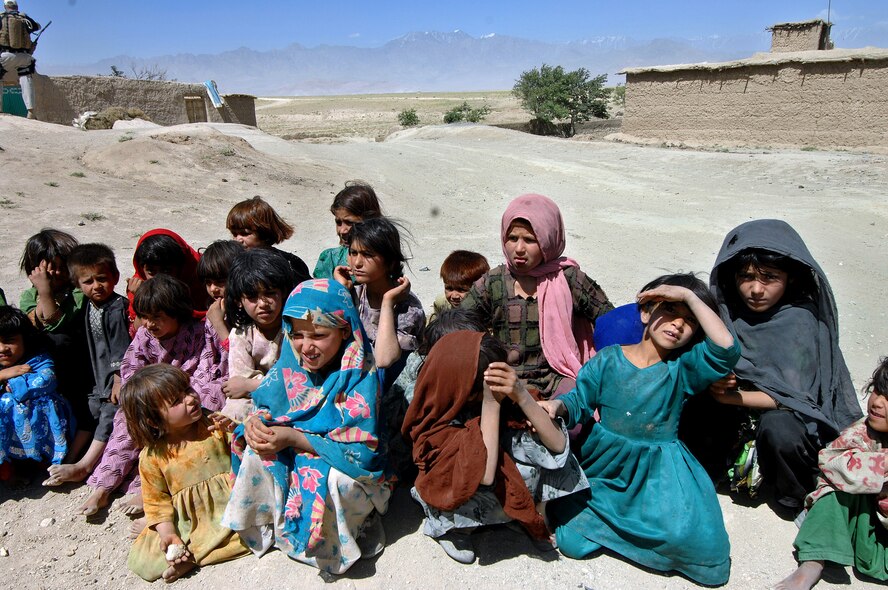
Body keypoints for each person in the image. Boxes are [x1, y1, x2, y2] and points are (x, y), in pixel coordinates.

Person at [540, 273, 740, 586]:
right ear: (646, 312)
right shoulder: (608, 360)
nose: (677, 324)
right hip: (605, 469)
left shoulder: (683, 369)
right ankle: (619, 533)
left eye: (689, 321)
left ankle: (629, 536)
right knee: (572, 544)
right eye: (670, 311)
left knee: (696, 544)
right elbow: (579, 398)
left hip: (659, 475)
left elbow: (726, 350)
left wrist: (687, 296)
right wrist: (558, 406)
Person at [680, 219, 862, 511]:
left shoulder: (800, 322)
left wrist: (729, 395)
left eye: (769, 278)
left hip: (786, 417)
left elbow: (791, 398)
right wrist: (715, 380)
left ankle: (791, 495)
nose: (755, 289)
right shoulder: (726, 313)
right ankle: (706, 475)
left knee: (781, 430)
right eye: (746, 277)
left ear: (790, 277)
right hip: (736, 417)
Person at [222, 279, 391, 574]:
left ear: (344, 330)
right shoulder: (291, 361)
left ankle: (356, 527)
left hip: (340, 462)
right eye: (297, 335)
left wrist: (293, 438)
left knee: (339, 481)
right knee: (255, 451)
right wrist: (254, 425)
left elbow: (364, 453)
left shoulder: (360, 376)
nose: (306, 346)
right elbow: (267, 407)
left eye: (319, 335)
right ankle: (271, 525)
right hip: (295, 447)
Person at [403, 330, 588, 563]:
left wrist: (521, 395)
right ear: (466, 387)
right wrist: (490, 404)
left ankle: (523, 515)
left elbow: (559, 446)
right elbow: (485, 476)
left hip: (488, 469)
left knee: (539, 441)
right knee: (469, 481)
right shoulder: (433, 418)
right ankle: (457, 529)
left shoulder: (502, 397)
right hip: (456, 491)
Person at [80, 275, 227, 518]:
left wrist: (175, 398)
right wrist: (150, 396)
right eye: (144, 317)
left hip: (191, 393)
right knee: (129, 416)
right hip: (156, 396)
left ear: (176, 312)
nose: (148, 324)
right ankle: (104, 486)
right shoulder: (145, 337)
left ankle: (151, 487)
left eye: (157, 317)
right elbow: (132, 371)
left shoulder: (201, 332)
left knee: (198, 406)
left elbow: (209, 368)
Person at [460, 193, 612, 399]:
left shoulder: (569, 279)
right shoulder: (494, 281)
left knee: (574, 421)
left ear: (548, 240)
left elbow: (610, 320)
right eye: (512, 238)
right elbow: (461, 323)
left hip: (558, 376)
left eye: (530, 240)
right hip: (506, 378)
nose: (519, 249)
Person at [122, 364, 248, 582]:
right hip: (194, 519)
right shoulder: (153, 457)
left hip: (233, 503)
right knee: (148, 560)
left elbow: (245, 454)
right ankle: (186, 558)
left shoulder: (212, 423)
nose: (190, 399)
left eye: (188, 390)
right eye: (176, 401)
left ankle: (197, 557)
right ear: (154, 420)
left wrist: (235, 430)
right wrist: (168, 534)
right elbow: (156, 503)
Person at [775, 357, 888, 590]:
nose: (877, 402)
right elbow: (831, 461)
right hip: (866, 533)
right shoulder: (866, 432)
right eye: (877, 391)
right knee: (833, 489)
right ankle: (813, 562)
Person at [43, 244, 131, 487]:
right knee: (89, 413)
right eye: (88, 281)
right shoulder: (89, 306)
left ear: (115, 277)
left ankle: (85, 465)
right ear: (78, 285)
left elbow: (121, 348)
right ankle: (70, 458)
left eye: (102, 279)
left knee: (107, 415)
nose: (96, 286)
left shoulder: (116, 309)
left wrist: (117, 378)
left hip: (112, 379)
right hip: (96, 379)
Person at [18, 229, 94, 462]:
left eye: (64, 266)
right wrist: (41, 292)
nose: (58, 273)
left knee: (58, 338)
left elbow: (53, 324)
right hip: (46, 370)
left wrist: (45, 291)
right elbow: (33, 326)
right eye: (51, 267)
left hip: (76, 367)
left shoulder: (77, 294)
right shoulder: (29, 296)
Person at [333, 216, 425, 388]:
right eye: (353, 253)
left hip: (389, 390)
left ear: (390, 262)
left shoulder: (408, 308)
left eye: (367, 255)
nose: (357, 263)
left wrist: (387, 302)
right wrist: (342, 292)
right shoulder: (357, 293)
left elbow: (384, 360)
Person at [0, 306, 74, 483]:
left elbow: (46, 380)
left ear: (25, 339)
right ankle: (11, 465)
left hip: (39, 426)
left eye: (9, 341)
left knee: (21, 401)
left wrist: (14, 383)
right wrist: (3, 375)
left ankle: (39, 459)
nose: (2, 349)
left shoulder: (38, 359)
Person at [221, 249, 294, 422]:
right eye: (253, 296)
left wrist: (250, 385)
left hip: (294, 395)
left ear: (282, 292)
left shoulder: (295, 328)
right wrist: (247, 386)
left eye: (270, 293)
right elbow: (238, 382)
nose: (263, 304)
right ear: (239, 300)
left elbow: (297, 379)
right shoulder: (241, 334)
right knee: (235, 407)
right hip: (256, 399)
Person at [126, 229, 207, 335]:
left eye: (166, 271)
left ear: (180, 268)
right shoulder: (138, 286)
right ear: (142, 269)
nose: (159, 278)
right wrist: (141, 300)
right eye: (151, 271)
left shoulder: (202, 277)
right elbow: (136, 331)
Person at [226, 195, 311, 283]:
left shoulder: (289, 264)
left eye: (245, 233)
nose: (238, 239)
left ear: (264, 232)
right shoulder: (230, 262)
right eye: (234, 234)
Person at [313, 182, 382, 279]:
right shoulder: (330, 259)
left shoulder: (384, 260)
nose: (342, 231)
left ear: (370, 220)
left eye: (349, 223)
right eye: (338, 222)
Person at [196, 239, 244, 343]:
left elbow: (240, 357)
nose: (213, 289)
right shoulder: (211, 315)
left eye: (220, 281)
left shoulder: (251, 315)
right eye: (208, 282)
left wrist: (218, 324)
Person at [0, 0, 40, 120]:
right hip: (25, 57)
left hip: (5, 56)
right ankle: (31, 111)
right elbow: (37, 26)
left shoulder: (1, 18)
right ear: (16, 6)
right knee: (26, 78)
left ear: (5, 6)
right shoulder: (24, 18)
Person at [429, 250, 489, 322]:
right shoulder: (442, 304)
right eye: (449, 288)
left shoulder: (488, 310)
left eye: (462, 290)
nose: (454, 296)